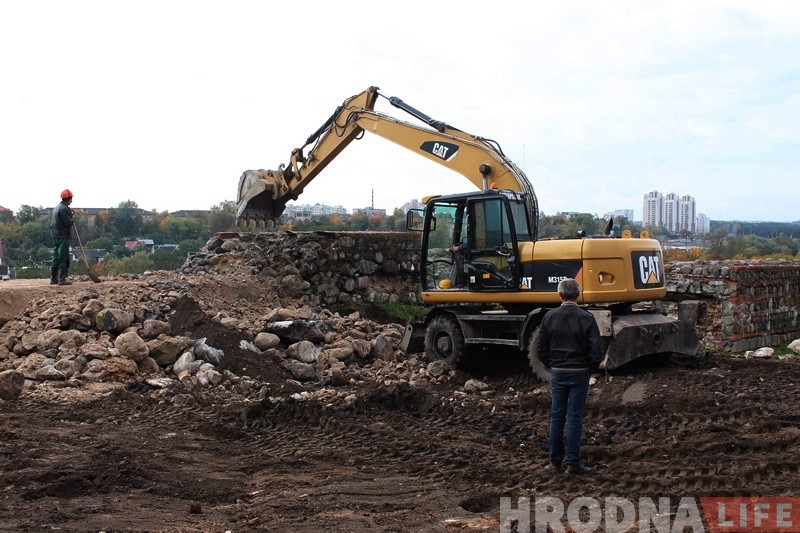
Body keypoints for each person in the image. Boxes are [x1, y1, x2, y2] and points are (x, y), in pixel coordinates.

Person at [536, 278, 603, 475]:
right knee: (574, 418)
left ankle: (555, 462)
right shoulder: (587, 318)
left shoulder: (549, 317)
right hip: (579, 373)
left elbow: (541, 348)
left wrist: (551, 365)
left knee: (557, 416)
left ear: (560, 295)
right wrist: (589, 367)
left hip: (558, 373)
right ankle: (573, 464)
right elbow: (596, 350)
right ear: (578, 294)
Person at [50, 189, 75, 286]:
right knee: (63, 256)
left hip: (55, 235)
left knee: (56, 256)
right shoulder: (64, 209)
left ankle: (53, 278)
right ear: (69, 199)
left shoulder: (57, 207)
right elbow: (67, 223)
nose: (72, 201)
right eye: (71, 199)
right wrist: (72, 219)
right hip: (63, 235)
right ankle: (62, 279)